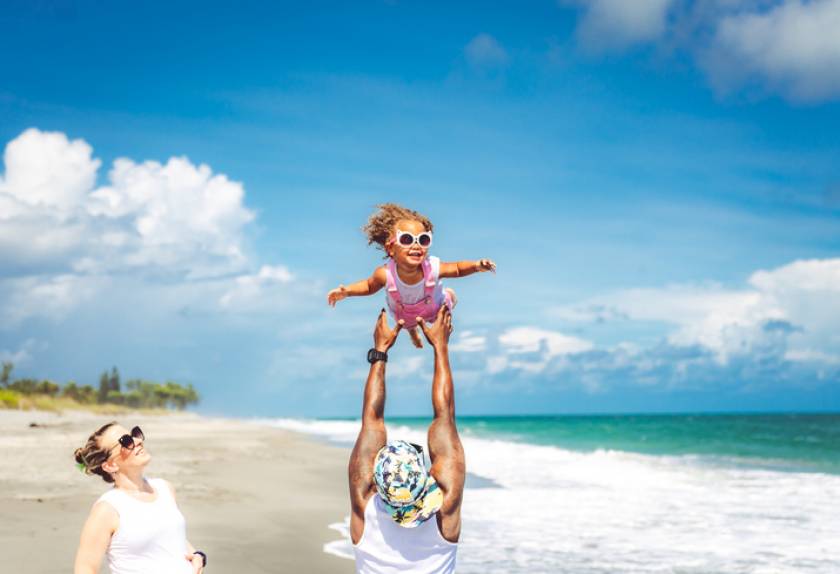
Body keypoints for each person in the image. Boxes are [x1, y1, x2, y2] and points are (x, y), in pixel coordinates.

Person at [348, 306, 465, 573]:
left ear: (376, 480)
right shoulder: (444, 512)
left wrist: (380, 352)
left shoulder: (363, 506)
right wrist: (440, 347)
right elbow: (444, 416)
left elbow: (371, 420)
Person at [327, 203, 495, 348]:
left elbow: (457, 268)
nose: (416, 245)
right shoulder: (385, 274)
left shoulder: (432, 268)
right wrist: (347, 291)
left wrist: (476, 265)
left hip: (434, 307)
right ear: (390, 248)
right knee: (408, 324)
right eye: (407, 239)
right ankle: (413, 333)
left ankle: (451, 296)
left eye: (422, 240)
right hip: (405, 313)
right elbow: (369, 286)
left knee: (445, 308)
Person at [73, 422, 206, 574]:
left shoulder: (165, 488)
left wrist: (196, 555)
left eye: (134, 434)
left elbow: (168, 536)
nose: (138, 441)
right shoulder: (108, 509)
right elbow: (85, 569)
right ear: (110, 466)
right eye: (126, 441)